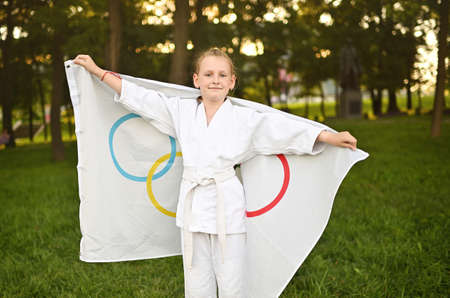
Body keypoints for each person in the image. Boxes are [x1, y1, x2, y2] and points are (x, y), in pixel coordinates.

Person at [73, 48, 357, 298]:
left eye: (222, 75)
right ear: (196, 80)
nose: (215, 80)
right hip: (193, 208)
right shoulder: (180, 111)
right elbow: (143, 99)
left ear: (232, 82)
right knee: (197, 283)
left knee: (231, 282)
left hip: (227, 210)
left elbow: (282, 131)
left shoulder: (244, 120)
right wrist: (98, 72)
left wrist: (327, 137)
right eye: (208, 74)